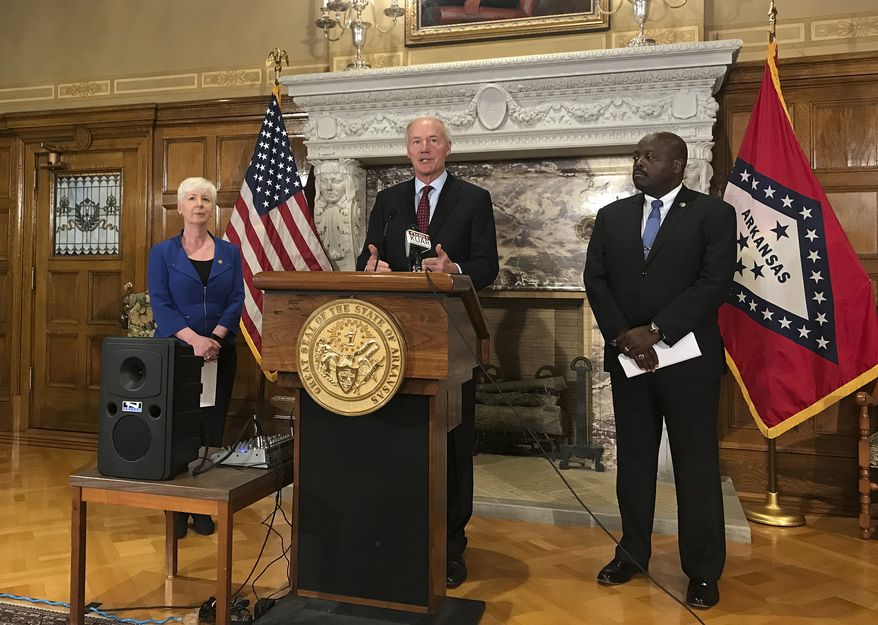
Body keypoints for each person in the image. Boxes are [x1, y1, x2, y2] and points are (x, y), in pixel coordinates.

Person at [583, 132, 735, 609]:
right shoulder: (612, 216)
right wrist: (624, 336)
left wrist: (657, 329)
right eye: (635, 155)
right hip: (629, 360)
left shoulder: (713, 214)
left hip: (688, 361)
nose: (639, 162)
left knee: (695, 468)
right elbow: (596, 279)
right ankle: (632, 553)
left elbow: (714, 282)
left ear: (678, 165)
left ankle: (703, 571)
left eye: (649, 156)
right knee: (633, 463)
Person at [355, 116, 499, 588]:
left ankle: (452, 545)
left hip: (452, 342)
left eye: (432, 141)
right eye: (416, 141)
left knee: (452, 445)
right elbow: (367, 257)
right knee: (400, 439)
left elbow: (489, 266)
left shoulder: (473, 200)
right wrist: (372, 267)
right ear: (407, 149)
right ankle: (401, 535)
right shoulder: (389, 201)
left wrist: (452, 266)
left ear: (448, 148)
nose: (423, 148)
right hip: (394, 340)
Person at [148, 177, 244, 539]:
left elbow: (237, 300)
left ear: (213, 208)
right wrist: (194, 342)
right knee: (178, 429)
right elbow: (161, 303)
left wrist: (215, 339)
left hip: (220, 352)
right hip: (178, 352)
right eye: (192, 198)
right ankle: (176, 509)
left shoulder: (230, 252)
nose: (200, 203)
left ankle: (202, 504)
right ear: (180, 208)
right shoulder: (162, 252)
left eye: (206, 198)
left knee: (210, 429)